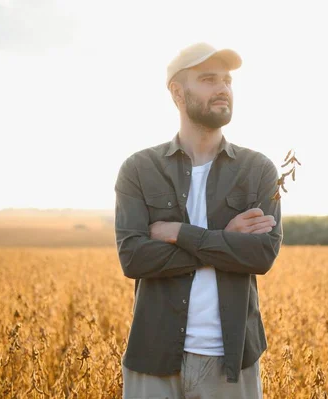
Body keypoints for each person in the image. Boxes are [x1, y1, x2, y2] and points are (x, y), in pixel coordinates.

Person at [114, 42, 283, 399]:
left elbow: (261, 255)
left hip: (232, 363)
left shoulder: (258, 171)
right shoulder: (139, 169)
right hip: (153, 359)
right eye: (208, 79)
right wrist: (224, 238)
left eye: (227, 80)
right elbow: (133, 258)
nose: (223, 88)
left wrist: (179, 233)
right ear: (177, 92)